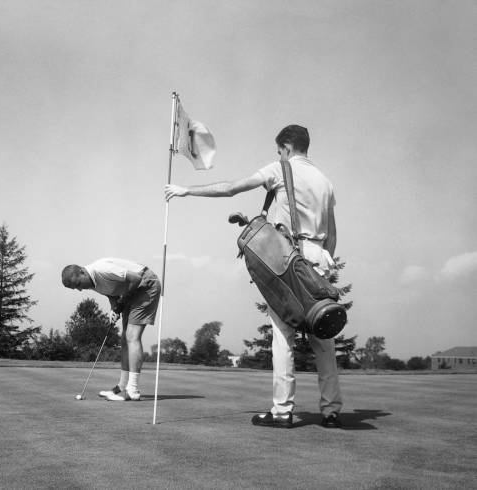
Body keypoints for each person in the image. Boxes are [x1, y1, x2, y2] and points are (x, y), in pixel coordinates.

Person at [165, 125, 342, 428]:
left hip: (289, 258)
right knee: (323, 339)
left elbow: (233, 187)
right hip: (320, 259)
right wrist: (321, 267)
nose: (278, 155)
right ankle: (331, 412)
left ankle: (282, 411)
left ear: (286, 147)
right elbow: (333, 235)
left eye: (279, 150)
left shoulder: (280, 168)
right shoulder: (325, 182)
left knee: (283, 337)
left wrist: (187, 190)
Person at [61, 257, 161, 401]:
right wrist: (114, 309)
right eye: (76, 288)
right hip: (133, 291)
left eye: (78, 284)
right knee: (125, 339)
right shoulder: (91, 283)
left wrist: (121, 302)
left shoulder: (102, 269)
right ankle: (121, 386)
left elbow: (136, 279)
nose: (80, 289)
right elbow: (111, 293)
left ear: (82, 272)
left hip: (146, 285)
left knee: (132, 336)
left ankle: (133, 389)